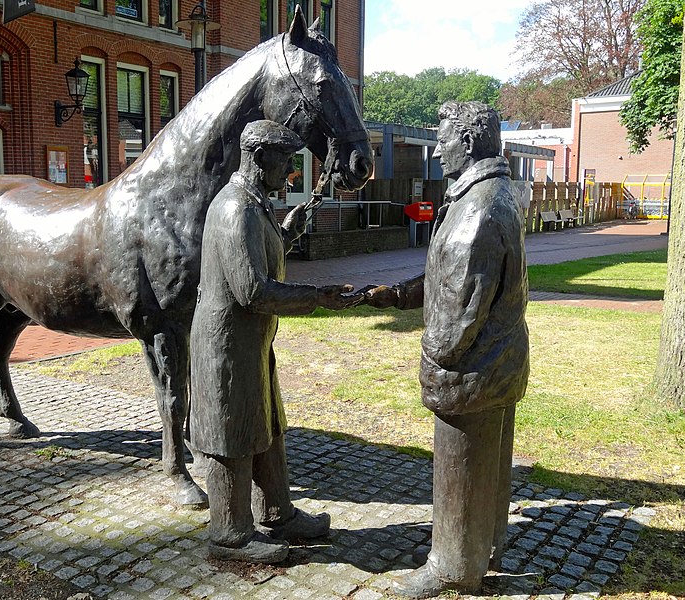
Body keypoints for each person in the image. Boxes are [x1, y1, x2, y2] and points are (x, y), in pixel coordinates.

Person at [365, 101, 530, 597]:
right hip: (498, 365)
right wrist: (402, 294)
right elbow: (458, 279)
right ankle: (486, 547)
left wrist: (431, 358)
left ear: (470, 141)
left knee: (461, 466)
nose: (437, 149)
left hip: (471, 374)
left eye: (445, 138)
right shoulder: (493, 194)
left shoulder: (476, 211)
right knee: (490, 463)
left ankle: (454, 566)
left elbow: (456, 324)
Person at [188, 120, 363, 564]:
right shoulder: (234, 209)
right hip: (227, 345)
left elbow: (256, 255)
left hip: (252, 341)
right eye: (283, 161)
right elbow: (252, 290)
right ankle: (229, 536)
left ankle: (278, 512)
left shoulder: (255, 204)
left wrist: (286, 231)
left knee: (267, 424)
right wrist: (318, 297)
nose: (288, 171)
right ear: (258, 156)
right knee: (235, 432)